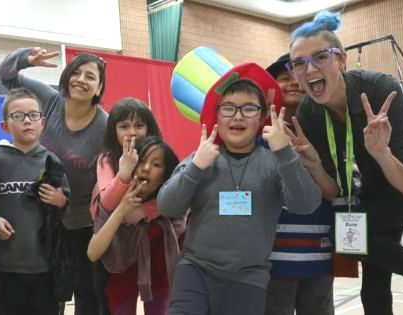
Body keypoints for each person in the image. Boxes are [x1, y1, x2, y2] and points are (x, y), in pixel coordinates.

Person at [289, 11, 403, 313]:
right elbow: (334, 191)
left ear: (342, 60)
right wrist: (313, 165)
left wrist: (381, 152)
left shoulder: (378, 89)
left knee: (348, 234)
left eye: (320, 57)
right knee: (373, 287)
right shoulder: (309, 112)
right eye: (298, 63)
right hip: (378, 182)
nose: (309, 70)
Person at [157, 63, 322, 315]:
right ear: (217, 115)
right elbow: (167, 206)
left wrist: (284, 152)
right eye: (228, 108)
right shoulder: (200, 157)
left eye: (248, 109)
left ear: (262, 117)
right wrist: (196, 168)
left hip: (248, 277)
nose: (237, 116)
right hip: (195, 270)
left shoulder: (275, 162)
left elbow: (306, 204)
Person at [0, 47, 108, 314]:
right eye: (76, 72)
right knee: (50, 289)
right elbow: (5, 74)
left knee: (87, 291)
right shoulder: (50, 100)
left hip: (83, 222)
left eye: (90, 76)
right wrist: (26, 59)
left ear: (99, 88)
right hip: (42, 217)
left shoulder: (104, 124)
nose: (81, 79)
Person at [264, 54, 337, 315]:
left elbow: (339, 190)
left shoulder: (328, 135)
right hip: (271, 262)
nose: (293, 82)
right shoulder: (257, 140)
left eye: (298, 77)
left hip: (319, 258)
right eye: (283, 78)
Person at [0, 88, 71, 314]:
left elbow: (67, 205)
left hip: (44, 267)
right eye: (18, 116)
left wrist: (60, 200)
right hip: (5, 267)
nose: (27, 121)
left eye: (33, 115)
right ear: (5, 125)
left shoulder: (51, 161)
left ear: (42, 122)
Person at [88, 136, 184, 315]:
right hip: (120, 276)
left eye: (156, 165)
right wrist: (122, 209)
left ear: (165, 174)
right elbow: (93, 253)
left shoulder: (171, 204)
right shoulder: (111, 199)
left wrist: (147, 210)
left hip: (161, 277)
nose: (146, 169)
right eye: (141, 161)